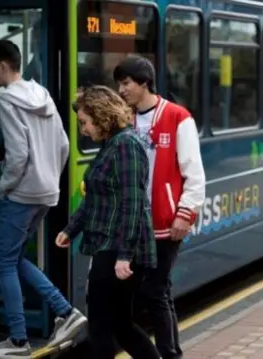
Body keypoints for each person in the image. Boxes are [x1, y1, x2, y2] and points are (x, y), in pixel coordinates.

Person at [0, 39, 87, 359]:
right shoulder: (43, 95)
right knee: (13, 258)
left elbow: (18, 154)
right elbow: (65, 145)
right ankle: (65, 312)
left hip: (22, 192)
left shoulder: (7, 101)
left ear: (1, 66)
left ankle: (19, 339)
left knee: (3, 263)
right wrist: (49, 176)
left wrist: (5, 186)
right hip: (46, 192)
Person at [55, 85, 161, 359]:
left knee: (102, 326)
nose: (83, 129)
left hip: (118, 248)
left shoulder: (126, 146)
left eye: (84, 122)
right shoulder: (113, 145)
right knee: (121, 326)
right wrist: (71, 229)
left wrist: (124, 255)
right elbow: (95, 199)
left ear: (101, 116)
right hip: (110, 245)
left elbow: (133, 203)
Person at [113, 55, 206, 359]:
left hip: (166, 224)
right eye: (119, 84)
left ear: (143, 83)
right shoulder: (122, 118)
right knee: (149, 294)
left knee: (155, 292)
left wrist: (185, 213)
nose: (121, 89)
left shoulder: (178, 117)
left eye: (126, 83)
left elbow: (194, 173)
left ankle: (168, 354)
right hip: (132, 224)